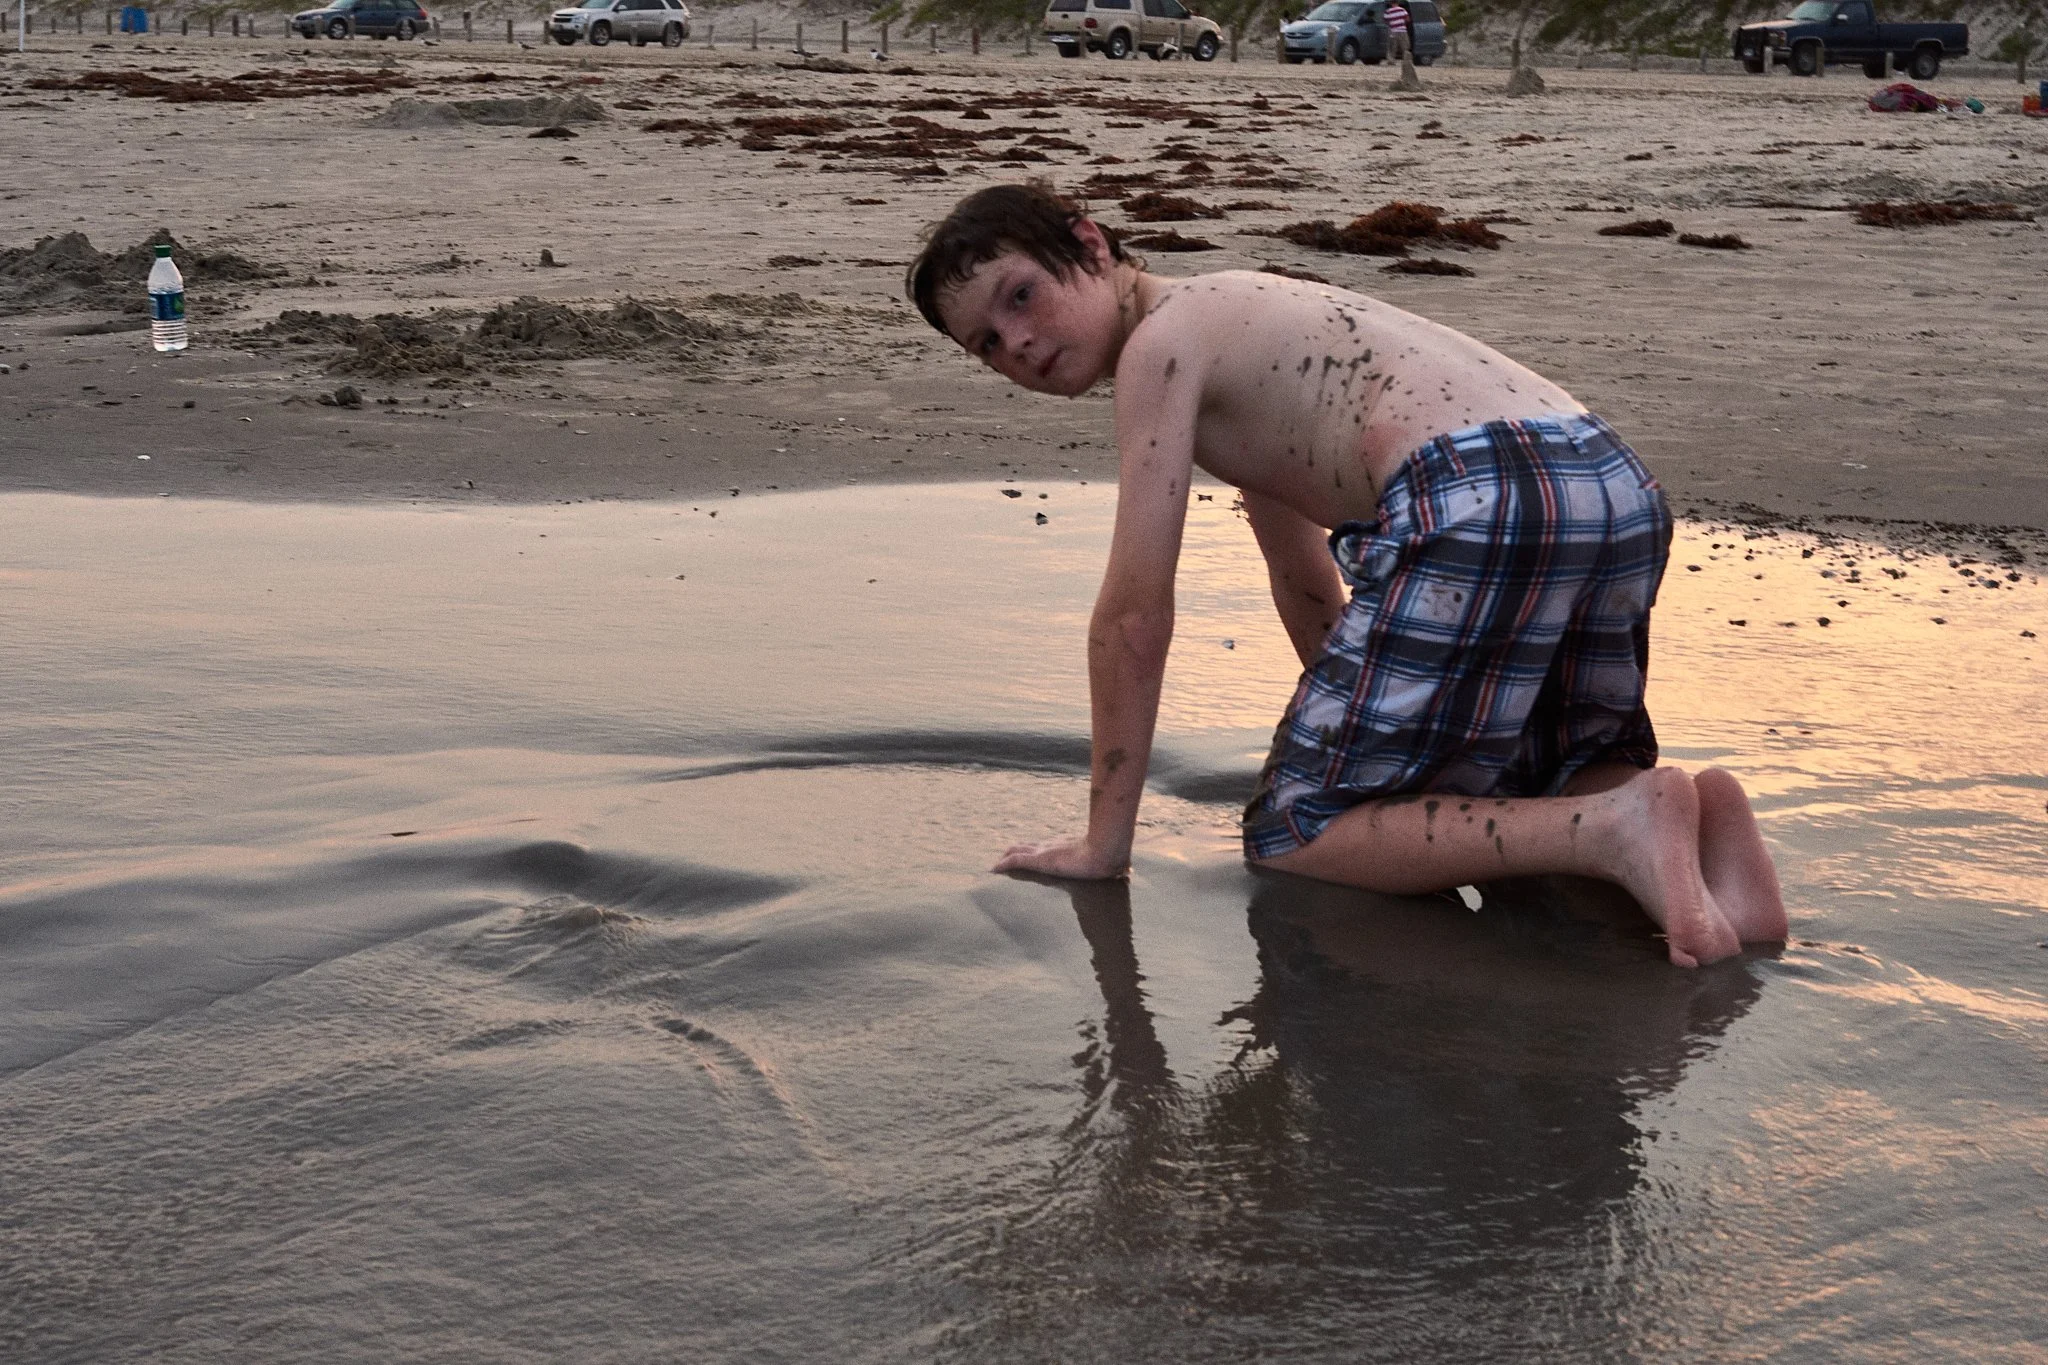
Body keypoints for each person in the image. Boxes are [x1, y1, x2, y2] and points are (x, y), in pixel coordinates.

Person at [905, 182, 1787, 968]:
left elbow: (1134, 615)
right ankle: (1708, 859)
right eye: (986, 343)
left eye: (1020, 295)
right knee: (1545, 767)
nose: (1018, 341)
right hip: (1607, 477)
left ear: (1089, 244)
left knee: (1297, 826)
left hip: (1479, 486)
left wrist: (1105, 843)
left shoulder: (1160, 347)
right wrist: (1378, 744)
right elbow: (1304, 583)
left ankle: (1621, 825)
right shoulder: (1243, 317)